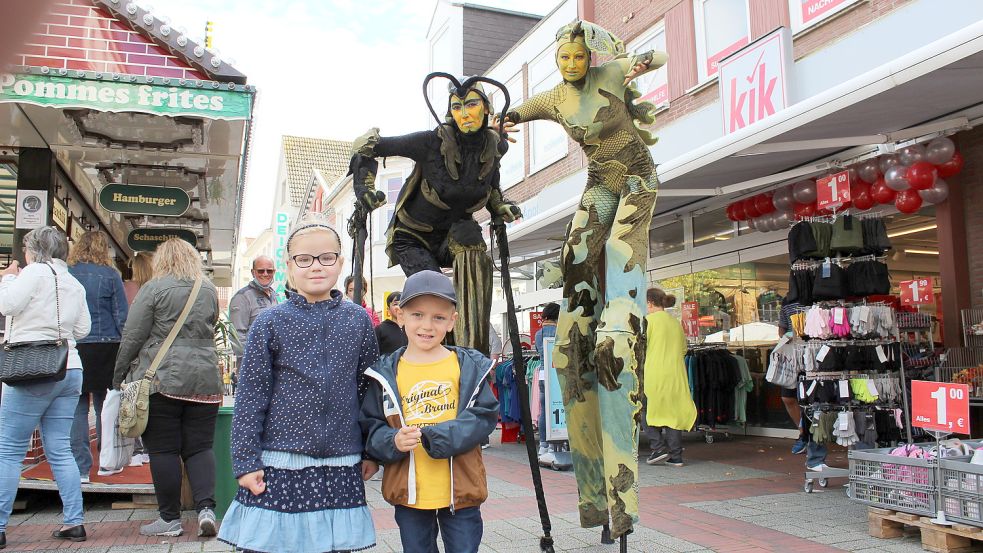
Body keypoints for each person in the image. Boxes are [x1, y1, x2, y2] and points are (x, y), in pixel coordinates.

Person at [500, 20, 666, 538]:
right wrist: (498, 121)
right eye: (564, 59)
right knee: (576, 254)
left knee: (619, 248)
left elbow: (655, 59)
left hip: (637, 176)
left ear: (589, 56)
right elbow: (518, 111)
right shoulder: (556, 98)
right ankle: (595, 501)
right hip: (599, 182)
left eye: (578, 57)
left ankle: (620, 313)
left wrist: (635, 59)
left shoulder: (609, 75)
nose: (571, 65)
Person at [218, 215, 380, 553]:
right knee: (275, 545)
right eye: (304, 259)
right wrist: (246, 462)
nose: (315, 267)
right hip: (280, 459)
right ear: (289, 266)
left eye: (326, 257)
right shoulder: (270, 322)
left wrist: (370, 450)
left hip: (342, 459)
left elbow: (369, 391)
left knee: (335, 547)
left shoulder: (358, 321)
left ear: (340, 262)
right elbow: (251, 396)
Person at [350, 76, 520, 355]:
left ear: (487, 108)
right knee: (431, 288)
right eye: (457, 107)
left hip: (452, 234)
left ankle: (471, 353)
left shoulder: (495, 146)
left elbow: (491, 183)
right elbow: (368, 146)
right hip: (413, 237)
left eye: (472, 104)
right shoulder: (431, 142)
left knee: (473, 245)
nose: (464, 114)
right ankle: (435, 354)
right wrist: (365, 188)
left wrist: (499, 205)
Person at [361, 270, 498, 553]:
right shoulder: (385, 373)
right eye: (417, 315)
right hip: (409, 492)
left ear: (452, 321)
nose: (427, 325)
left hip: (462, 490)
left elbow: (484, 416)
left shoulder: (467, 366)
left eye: (438, 317)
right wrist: (392, 441)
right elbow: (371, 426)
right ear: (400, 316)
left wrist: (438, 437)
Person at [112, 239, 222, 538]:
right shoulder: (208, 289)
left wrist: (118, 376)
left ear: (162, 260)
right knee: (200, 448)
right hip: (206, 378)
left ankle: (170, 519)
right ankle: (206, 510)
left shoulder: (154, 289)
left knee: (163, 450)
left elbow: (133, 336)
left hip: (162, 379)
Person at [0, 226, 91, 546]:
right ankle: (74, 522)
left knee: (9, 449)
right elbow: (82, 328)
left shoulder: (34, 272)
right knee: (60, 449)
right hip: (69, 368)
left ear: (35, 251)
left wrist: (9, 277)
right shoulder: (73, 281)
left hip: (32, 369)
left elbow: (6, 305)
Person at [66, 230, 128, 481]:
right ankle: (106, 461)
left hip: (77, 345)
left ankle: (81, 468)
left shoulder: (69, 274)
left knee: (78, 406)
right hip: (107, 345)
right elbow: (121, 315)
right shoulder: (111, 275)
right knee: (106, 405)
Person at [642, 288, 696, 467]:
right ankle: (676, 456)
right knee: (673, 414)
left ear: (650, 302)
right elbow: (683, 350)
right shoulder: (675, 323)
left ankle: (657, 447)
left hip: (654, 374)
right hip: (676, 375)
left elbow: (640, 349)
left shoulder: (647, 321)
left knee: (645, 410)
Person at [122, 252, 153, 467]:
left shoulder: (126, 289)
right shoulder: (158, 290)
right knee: (148, 401)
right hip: (153, 354)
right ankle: (148, 448)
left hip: (132, 352)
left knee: (130, 399)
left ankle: (133, 449)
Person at [228, 255, 279, 343]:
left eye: (269, 271)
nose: (265, 274)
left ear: (274, 272)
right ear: (253, 272)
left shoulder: (274, 296)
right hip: (252, 356)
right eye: (261, 271)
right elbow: (236, 336)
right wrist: (249, 356)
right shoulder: (242, 297)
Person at [534, 303, 559, 462]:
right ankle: (555, 444)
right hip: (557, 375)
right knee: (557, 407)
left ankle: (543, 445)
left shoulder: (538, 334)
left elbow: (538, 352)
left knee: (544, 410)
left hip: (543, 374)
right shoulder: (560, 332)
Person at [376, 291, 407, 355]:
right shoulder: (380, 329)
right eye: (395, 304)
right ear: (388, 309)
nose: (399, 307)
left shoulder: (412, 327)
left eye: (402, 303)